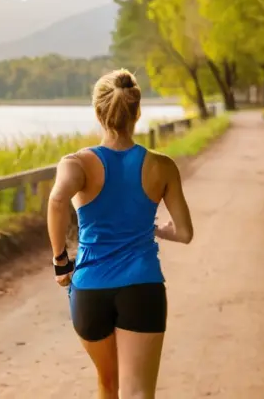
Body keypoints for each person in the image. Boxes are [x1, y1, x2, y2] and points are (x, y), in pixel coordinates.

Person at [46, 69, 194, 399]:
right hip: (142, 287)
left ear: (98, 112)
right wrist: (150, 228)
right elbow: (184, 232)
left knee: (107, 384)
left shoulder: (76, 164)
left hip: (90, 290)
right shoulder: (162, 166)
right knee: (139, 392)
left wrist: (60, 261)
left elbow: (56, 200)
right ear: (137, 112)